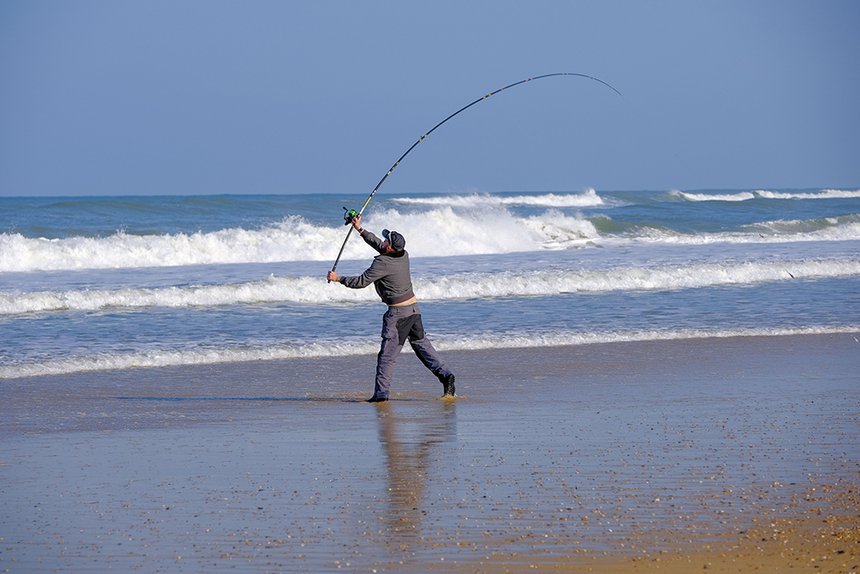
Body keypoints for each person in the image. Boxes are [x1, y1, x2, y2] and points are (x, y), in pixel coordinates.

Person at [327, 215, 456, 402]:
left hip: (398, 316)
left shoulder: (382, 263)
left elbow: (361, 282)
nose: (384, 241)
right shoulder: (404, 254)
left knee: (387, 357)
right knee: (422, 346)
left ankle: (381, 396)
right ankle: (447, 376)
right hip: (414, 310)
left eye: (386, 240)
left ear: (389, 247)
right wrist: (360, 229)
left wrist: (338, 278)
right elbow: (380, 245)